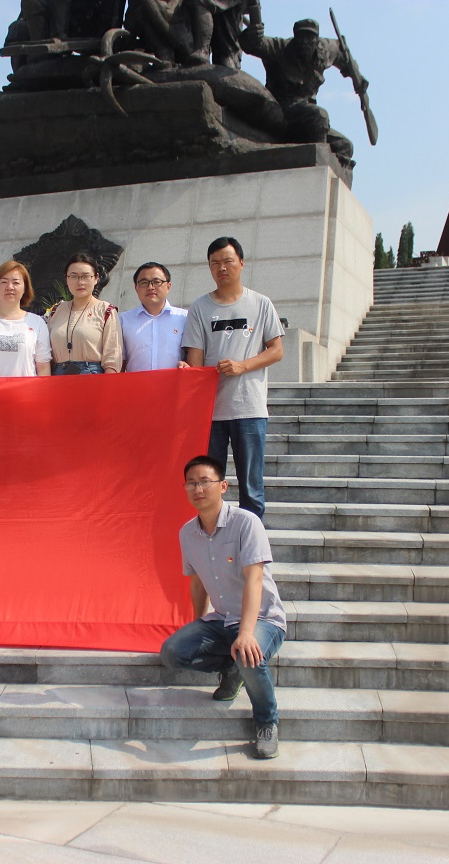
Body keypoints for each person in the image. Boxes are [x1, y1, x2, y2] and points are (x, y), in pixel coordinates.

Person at [161, 454, 285, 759]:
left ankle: (266, 722)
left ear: (223, 486)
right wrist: (197, 623)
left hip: (263, 618)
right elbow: (198, 582)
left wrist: (246, 632)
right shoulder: (187, 533)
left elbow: (255, 579)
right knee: (172, 652)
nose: (198, 489)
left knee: (248, 653)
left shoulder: (246, 523)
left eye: (205, 481)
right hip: (221, 618)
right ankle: (231, 669)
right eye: (191, 483)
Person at [183, 237, 283, 519]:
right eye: (215, 263)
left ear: (241, 263)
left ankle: (252, 543)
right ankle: (213, 539)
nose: (221, 268)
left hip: (249, 409)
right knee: (208, 485)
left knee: (252, 487)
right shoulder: (200, 308)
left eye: (227, 261)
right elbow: (196, 360)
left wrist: (242, 366)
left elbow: (276, 350)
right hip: (211, 413)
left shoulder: (261, 304)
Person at [240, 16, 359, 165]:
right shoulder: (281, 48)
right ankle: (317, 168)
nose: (305, 42)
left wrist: (357, 78)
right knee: (319, 116)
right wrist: (252, 34)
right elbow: (254, 45)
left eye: (310, 37)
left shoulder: (325, 49)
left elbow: (344, 56)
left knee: (345, 146)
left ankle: (333, 174)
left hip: (306, 114)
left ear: (316, 39)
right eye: (301, 37)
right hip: (281, 111)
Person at [0, 261, 52, 377]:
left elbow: (43, 368)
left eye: (16, 282)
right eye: (4, 282)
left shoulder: (37, 323)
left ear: (25, 288)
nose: (10, 287)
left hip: (26, 389)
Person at [47, 252, 123, 375]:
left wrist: (109, 383)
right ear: (66, 278)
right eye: (74, 276)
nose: (80, 282)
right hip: (58, 377)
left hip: (91, 377)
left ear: (96, 278)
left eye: (85, 276)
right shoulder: (57, 311)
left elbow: (112, 357)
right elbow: (47, 355)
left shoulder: (106, 311)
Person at [120, 261, 189, 372]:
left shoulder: (185, 318)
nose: (150, 287)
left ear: (168, 286)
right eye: (144, 283)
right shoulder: (123, 321)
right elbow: (119, 363)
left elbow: (193, 357)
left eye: (157, 282)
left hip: (174, 382)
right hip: (136, 383)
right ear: (136, 288)